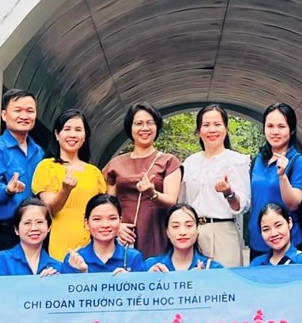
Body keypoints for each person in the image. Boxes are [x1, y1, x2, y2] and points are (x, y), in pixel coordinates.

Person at [104, 102, 182, 257]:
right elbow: (107, 204)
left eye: (150, 123)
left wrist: (152, 194)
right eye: (139, 123)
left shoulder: (169, 161)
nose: (145, 128)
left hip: (156, 232)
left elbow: (171, 200)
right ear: (130, 128)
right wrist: (117, 226)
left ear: (157, 127)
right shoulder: (115, 164)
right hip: (123, 234)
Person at [180, 104, 251, 267]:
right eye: (206, 125)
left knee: (225, 280)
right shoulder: (190, 163)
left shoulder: (236, 161)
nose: (212, 130)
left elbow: (242, 205)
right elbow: (182, 202)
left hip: (223, 232)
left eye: (217, 124)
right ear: (198, 131)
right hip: (193, 233)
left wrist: (229, 193)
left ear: (226, 129)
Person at [33, 109, 107, 260]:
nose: (72, 134)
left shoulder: (94, 173)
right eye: (67, 129)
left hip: (93, 243)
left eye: (78, 130)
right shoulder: (47, 167)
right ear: (57, 134)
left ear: (85, 136)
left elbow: (103, 210)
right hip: (59, 242)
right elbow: (50, 209)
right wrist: (65, 190)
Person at [0, 88, 45, 263]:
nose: (24, 116)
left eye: (30, 111)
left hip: (33, 233)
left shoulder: (38, 152)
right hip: (3, 233)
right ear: (4, 115)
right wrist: (8, 190)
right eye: (17, 110)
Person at [247, 103, 302, 259]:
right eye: (270, 126)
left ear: (292, 129)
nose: (275, 132)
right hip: (258, 241)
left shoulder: (298, 161)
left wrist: (282, 176)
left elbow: (293, 203)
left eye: (281, 126)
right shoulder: (257, 161)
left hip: (288, 243)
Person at [61, 194, 145, 273]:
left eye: (112, 218)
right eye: (97, 219)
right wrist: (82, 273)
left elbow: (142, 283)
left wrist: (128, 280)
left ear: (120, 221)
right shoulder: (74, 259)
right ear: (86, 224)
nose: (105, 225)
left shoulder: (133, 257)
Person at [0, 197, 62, 276]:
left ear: (49, 227)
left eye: (39, 222)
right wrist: (41, 282)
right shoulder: (1, 260)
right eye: (27, 223)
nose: (34, 228)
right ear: (16, 229)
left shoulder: (57, 267)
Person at [144, 203, 223, 271]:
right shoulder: (150, 265)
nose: (182, 232)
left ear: (197, 229)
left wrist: (205, 280)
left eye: (189, 226)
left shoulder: (212, 268)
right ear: (167, 232)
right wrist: (149, 279)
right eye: (175, 226)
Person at [249, 203, 302, 267]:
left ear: (289, 222)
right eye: (266, 229)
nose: (273, 234)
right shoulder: (256, 264)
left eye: (278, 225)